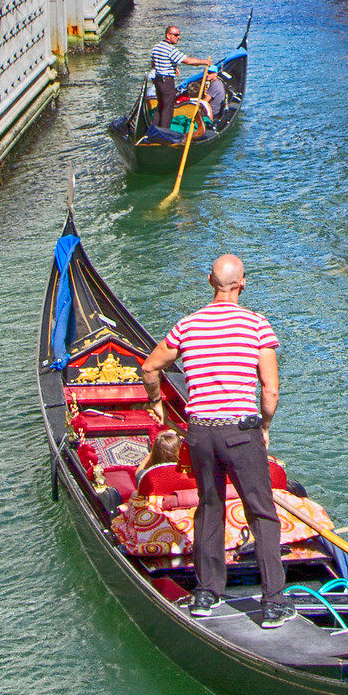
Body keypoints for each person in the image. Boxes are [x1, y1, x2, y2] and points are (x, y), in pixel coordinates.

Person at [139, 254, 288, 627]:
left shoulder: (187, 326)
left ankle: (206, 594)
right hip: (240, 432)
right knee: (261, 512)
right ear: (242, 284)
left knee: (209, 506)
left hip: (200, 433)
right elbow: (270, 390)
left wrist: (156, 403)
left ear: (210, 281)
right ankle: (272, 603)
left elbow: (149, 366)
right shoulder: (256, 326)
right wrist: (265, 426)